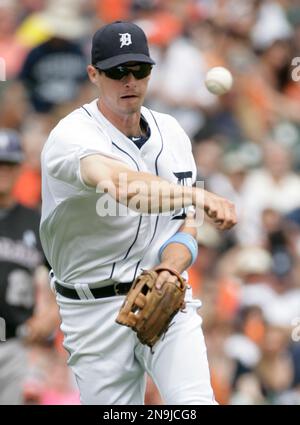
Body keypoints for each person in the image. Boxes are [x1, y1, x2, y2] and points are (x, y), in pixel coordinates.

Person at [40, 21, 237, 405]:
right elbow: (125, 187)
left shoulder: (173, 132)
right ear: (93, 74)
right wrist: (197, 196)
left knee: (195, 404)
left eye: (139, 69)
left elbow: (185, 224)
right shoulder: (72, 135)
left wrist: (170, 267)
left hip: (165, 292)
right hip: (92, 311)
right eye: (117, 71)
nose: (130, 80)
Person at [0, 128, 59, 404]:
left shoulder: (36, 222)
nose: (3, 172)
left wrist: (50, 316)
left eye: (9, 165)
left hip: (16, 344)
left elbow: (66, 279)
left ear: (21, 168)